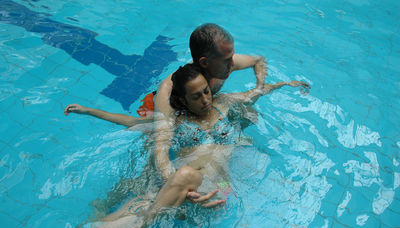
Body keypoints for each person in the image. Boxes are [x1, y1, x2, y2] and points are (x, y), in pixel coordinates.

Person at [74, 64, 309, 228]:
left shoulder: (225, 103)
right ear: (183, 99)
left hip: (218, 187)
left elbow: (257, 92)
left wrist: (287, 84)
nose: (205, 100)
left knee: (183, 174)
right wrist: (88, 111)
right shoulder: (175, 120)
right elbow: (133, 122)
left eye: (206, 92)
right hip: (178, 189)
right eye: (196, 96)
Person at [65, 23, 267, 205]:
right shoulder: (168, 95)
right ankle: (106, 204)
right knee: (149, 174)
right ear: (205, 62)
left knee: (234, 128)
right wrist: (177, 187)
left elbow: (258, 60)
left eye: (232, 57)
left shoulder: (222, 65)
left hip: (197, 116)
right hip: (161, 110)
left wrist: (259, 86)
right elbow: (160, 149)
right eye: (227, 60)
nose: (233, 64)